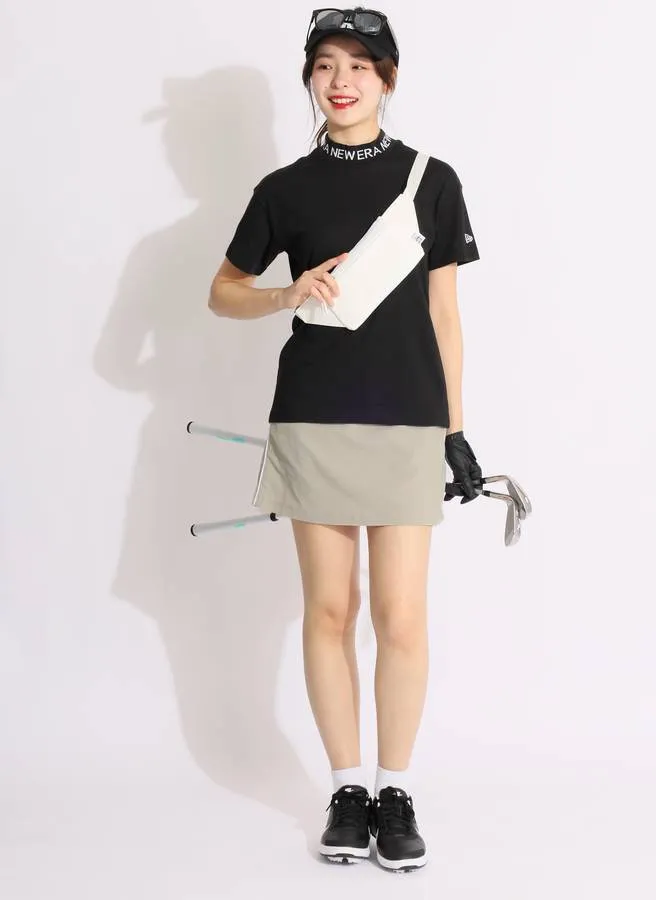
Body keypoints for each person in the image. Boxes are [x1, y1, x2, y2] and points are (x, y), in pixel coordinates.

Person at [209, 6, 484, 873]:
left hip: (407, 417)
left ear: (387, 79)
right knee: (330, 612)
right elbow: (223, 290)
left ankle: (395, 790)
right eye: (326, 64)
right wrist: (285, 294)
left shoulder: (432, 181)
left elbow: (445, 315)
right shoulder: (284, 189)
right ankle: (346, 789)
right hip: (314, 415)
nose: (341, 81)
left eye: (360, 65)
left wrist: (457, 432)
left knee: (402, 616)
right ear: (309, 79)